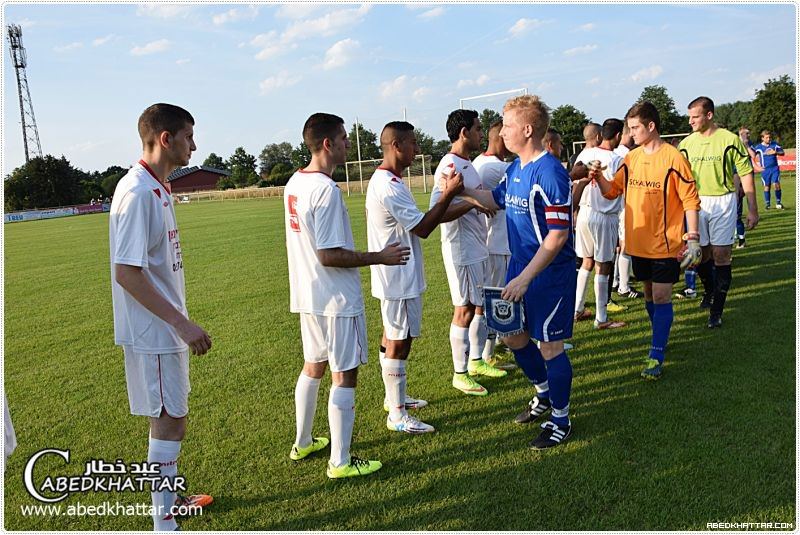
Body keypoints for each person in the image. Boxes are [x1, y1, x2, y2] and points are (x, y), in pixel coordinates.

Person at [285, 113, 409, 478]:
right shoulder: (324, 190)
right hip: (336, 299)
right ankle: (340, 461)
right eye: (342, 138)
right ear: (327, 144)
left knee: (314, 366)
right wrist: (379, 257)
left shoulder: (295, 182)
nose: (347, 144)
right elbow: (329, 254)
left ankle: (303, 441)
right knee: (344, 375)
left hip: (308, 295)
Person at [109, 103, 213, 531]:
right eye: (189, 135)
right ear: (166, 139)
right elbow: (126, 273)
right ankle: (163, 522)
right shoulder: (136, 192)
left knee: (171, 418)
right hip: (155, 331)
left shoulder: (158, 187)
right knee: (170, 421)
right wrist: (181, 323)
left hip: (164, 327)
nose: (194, 144)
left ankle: (169, 500)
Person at [461, 95, 577, 449]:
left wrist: (526, 277)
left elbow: (558, 236)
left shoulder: (551, 172)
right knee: (512, 336)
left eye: (508, 125)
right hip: (519, 268)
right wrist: (459, 189)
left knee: (550, 347)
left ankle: (562, 419)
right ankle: (543, 393)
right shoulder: (514, 169)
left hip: (549, 275)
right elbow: (493, 199)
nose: (502, 131)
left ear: (527, 129)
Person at [366, 121, 464, 434]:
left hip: (396, 275)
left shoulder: (388, 180)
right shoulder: (389, 186)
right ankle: (396, 415)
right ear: (396, 146)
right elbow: (422, 228)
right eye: (413, 144)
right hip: (398, 277)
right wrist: (448, 195)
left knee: (393, 336)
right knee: (399, 340)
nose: (417, 150)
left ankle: (393, 400)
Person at [591, 101, 701, 380]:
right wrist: (597, 178)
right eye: (629, 128)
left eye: (636, 128)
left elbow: (690, 199)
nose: (631, 133)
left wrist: (694, 237)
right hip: (638, 244)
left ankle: (656, 353)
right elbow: (612, 191)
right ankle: (660, 337)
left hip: (667, 244)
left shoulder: (674, 158)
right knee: (650, 296)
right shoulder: (632, 158)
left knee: (662, 296)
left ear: (651, 126)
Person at [430, 109, 507, 398]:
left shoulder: (467, 164)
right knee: (463, 309)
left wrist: (476, 201)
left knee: (479, 306)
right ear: (464, 133)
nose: (480, 134)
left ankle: (476, 361)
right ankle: (459, 374)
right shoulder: (449, 165)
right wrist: (473, 204)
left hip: (477, 244)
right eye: (476, 129)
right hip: (460, 247)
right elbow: (438, 213)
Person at [678, 96, 759, 328]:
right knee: (701, 255)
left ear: (709, 115)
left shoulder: (730, 139)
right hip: (696, 203)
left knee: (721, 254)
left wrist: (752, 209)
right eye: (689, 116)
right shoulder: (686, 144)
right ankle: (710, 290)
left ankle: (717, 311)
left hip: (723, 201)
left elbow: (746, 174)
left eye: (695, 116)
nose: (690, 121)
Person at [571, 118, 627, 330]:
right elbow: (616, 191)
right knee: (603, 266)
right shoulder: (617, 159)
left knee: (586, 262)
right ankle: (601, 318)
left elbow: (577, 178)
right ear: (619, 135)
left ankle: (577, 309)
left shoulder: (585, 154)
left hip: (584, 212)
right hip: (604, 216)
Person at [473, 120, 515, 368]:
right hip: (497, 243)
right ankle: (488, 354)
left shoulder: (483, 163)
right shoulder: (494, 168)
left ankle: (497, 344)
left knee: (496, 297)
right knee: (496, 299)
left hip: (495, 241)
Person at [752, 130, 785, 210]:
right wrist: (756, 166)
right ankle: (768, 204)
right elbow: (751, 156)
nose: (769, 139)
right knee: (767, 186)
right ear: (762, 138)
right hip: (765, 170)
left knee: (776, 184)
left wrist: (775, 152)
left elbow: (782, 152)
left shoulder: (774, 144)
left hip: (774, 168)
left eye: (770, 137)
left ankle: (778, 203)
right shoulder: (758, 147)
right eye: (767, 137)